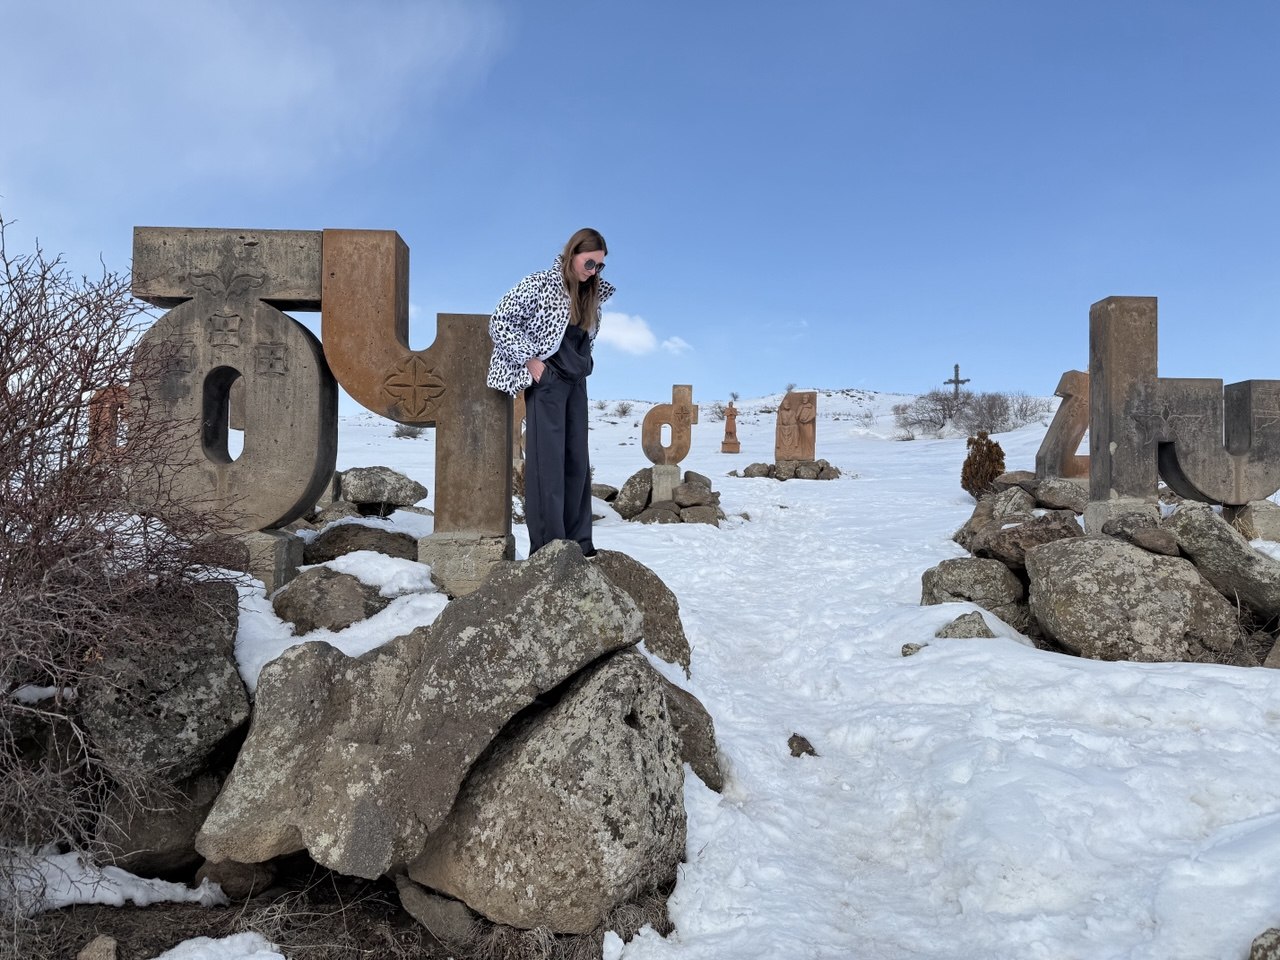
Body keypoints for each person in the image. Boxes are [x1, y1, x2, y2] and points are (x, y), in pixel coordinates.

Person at [486, 228, 613, 558]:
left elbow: (585, 336)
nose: (593, 272)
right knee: (548, 465)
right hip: (548, 379)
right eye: (589, 264)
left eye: (599, 266)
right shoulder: (540, 283)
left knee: (576, 462)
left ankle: (579, 546)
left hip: (577, 382)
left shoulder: (591, 294)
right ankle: (549, 548)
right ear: (573, 254)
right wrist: (530, 358)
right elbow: (500, 320)